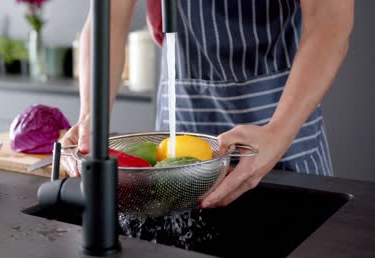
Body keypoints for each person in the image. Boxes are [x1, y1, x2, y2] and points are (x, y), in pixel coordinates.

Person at [62, 0, 354, 208]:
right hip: (179, 125)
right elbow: (108, 16)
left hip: (283, 127)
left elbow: (330, 21)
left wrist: (278, 131)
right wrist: (91, 116)